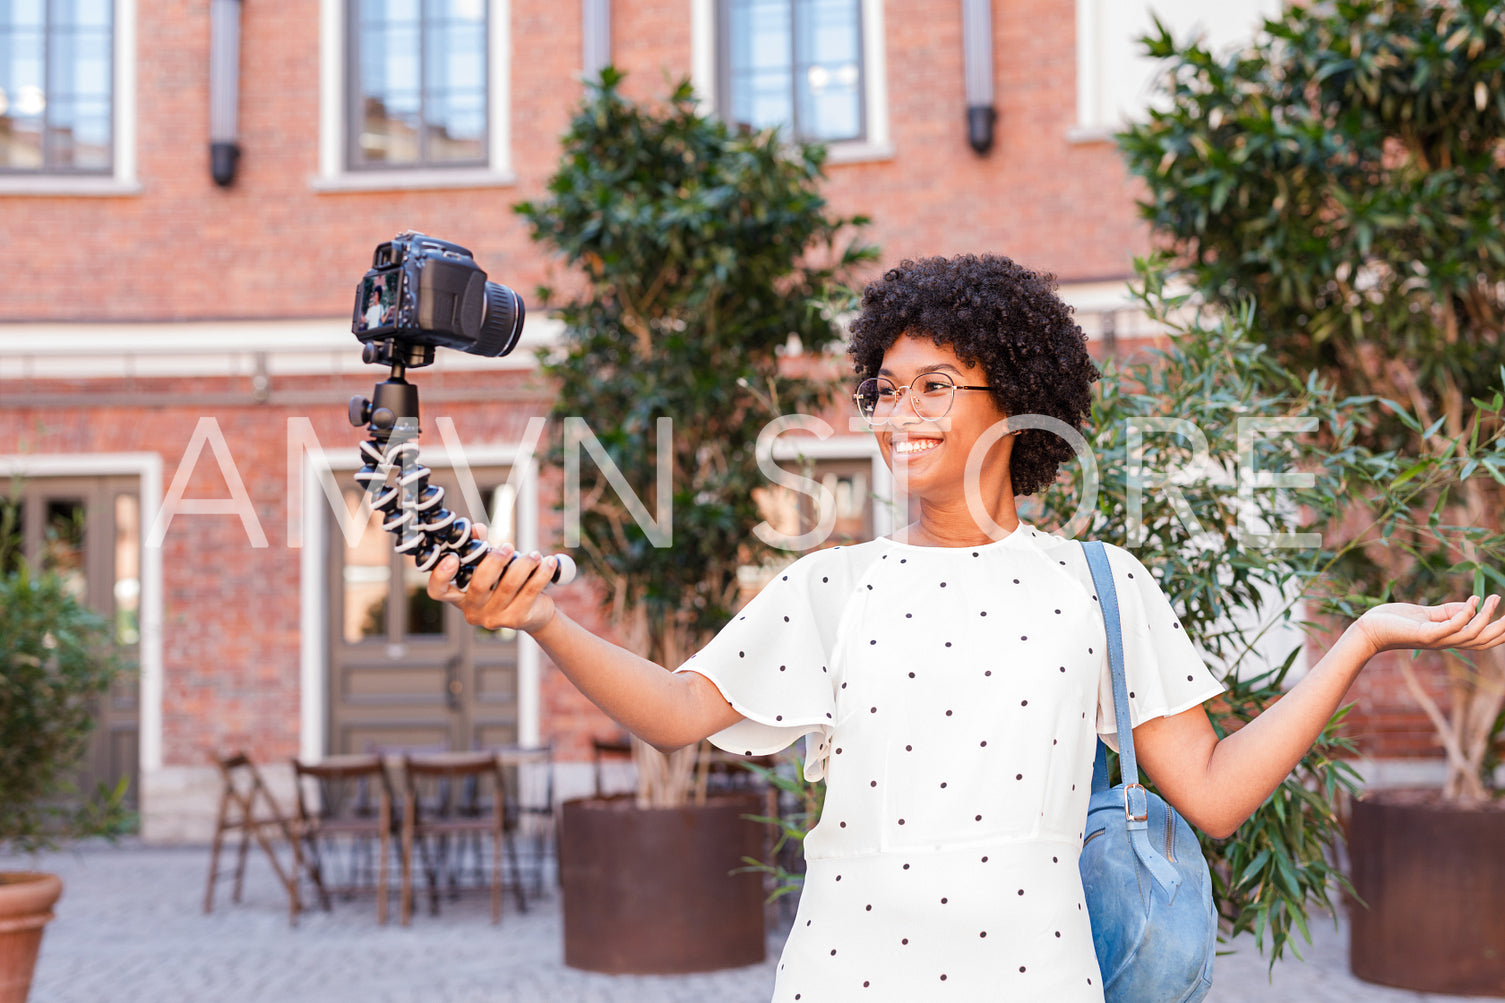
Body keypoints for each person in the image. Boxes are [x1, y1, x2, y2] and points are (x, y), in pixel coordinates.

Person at [428, 254, 1505, 1002]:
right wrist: (543, 622)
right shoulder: (831, 586)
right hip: (846, 970)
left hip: (1032, 972)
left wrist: (1357, 639)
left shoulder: (1097, 583)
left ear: (1015, 399)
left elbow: (1214, 795)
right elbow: (674, 713)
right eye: (884, 388)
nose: (899, 414)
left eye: (934, 384)